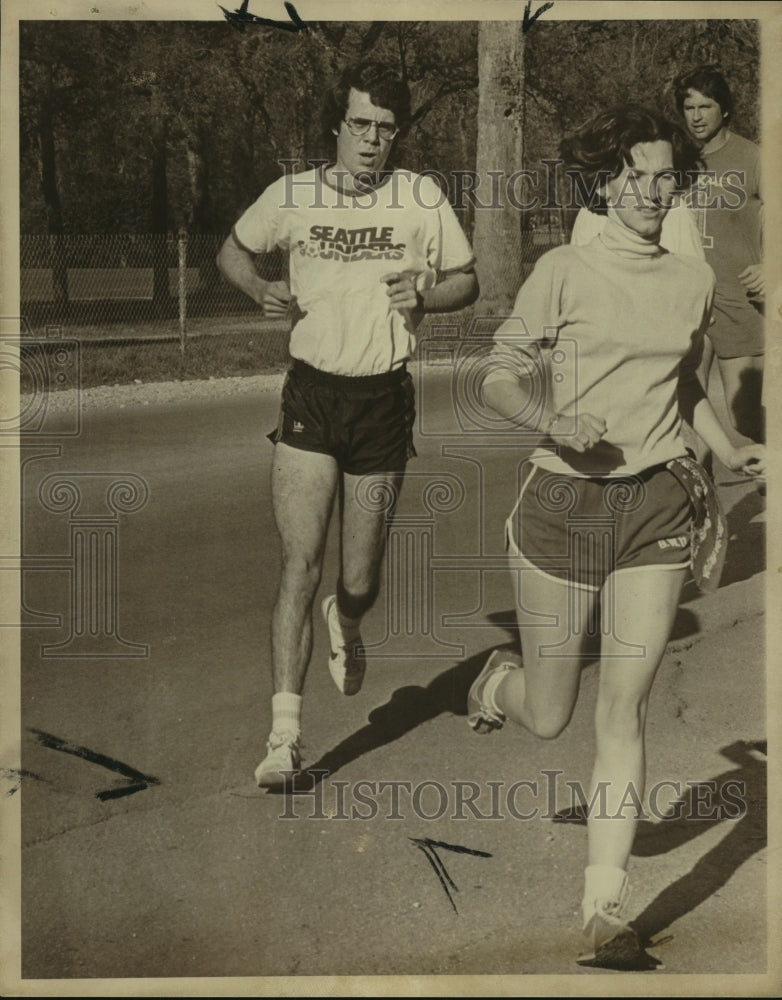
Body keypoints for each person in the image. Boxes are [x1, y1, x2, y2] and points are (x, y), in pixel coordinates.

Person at [469, 106, 764, 969]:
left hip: (657, 509)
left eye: (664, 176)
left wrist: (732, 445)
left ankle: (605, 910)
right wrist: (556, 419)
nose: (649, 190)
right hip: (563, 506)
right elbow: (496, 378)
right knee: (553, 717)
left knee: (624, 707)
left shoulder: (689, 278)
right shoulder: (563, 269)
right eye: (634, 175)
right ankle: (500, 686)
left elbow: (691, 382)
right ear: (606, 182)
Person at [217, 61, 478, 789]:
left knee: (357, 579)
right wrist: (261, 285)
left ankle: (350, 617)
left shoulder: (420, 197)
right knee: (297, 564)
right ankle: (284, 737)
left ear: (397, 135)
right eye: (360, 124)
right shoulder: (292, 195)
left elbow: (468, 279)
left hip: (382, 402)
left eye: (385, 129)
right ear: (339, 125)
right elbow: (231, 251)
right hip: (310, 396)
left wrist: (428, 291)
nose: (371, 141)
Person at [674, 65, 764, 444]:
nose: (696, 117)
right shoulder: (674, 159)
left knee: (745, 418)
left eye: (705, 107)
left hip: (737, 299)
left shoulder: (753, 157)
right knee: (685, 422)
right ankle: (702, 501)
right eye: (688, 107)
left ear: (724, 109)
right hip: (687, 300)